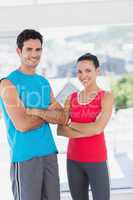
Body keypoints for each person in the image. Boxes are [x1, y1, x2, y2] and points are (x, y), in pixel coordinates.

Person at [27, 53, 114, 200]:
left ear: (97, 71)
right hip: (73, 160)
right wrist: (89, 128)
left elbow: (98, 128)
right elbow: (61, 130)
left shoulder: (106, 97)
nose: (83, 75)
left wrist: (71, 124)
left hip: (97, 159)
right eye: (79, 72)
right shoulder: (71, 98)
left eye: (88, 71)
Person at [0, 29, 64, 200]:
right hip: (25, 156)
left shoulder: (43, 82)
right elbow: (23, 125)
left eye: (38, 49)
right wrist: (48, 114)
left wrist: (34, 111)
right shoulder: (8, 83)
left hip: (49, 153)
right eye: (29, 49)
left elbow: (63, 117)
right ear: (19, 51)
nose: (34, 54)